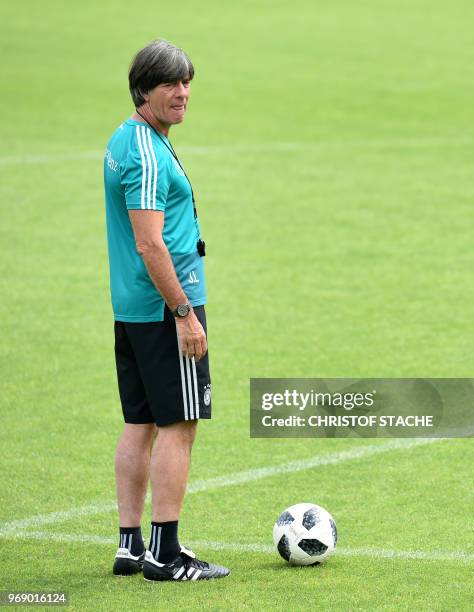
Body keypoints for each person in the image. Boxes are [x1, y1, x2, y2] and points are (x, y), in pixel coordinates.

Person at [103, 39, 229, 581]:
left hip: (133, 306)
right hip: (162, 306)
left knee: (141, 422)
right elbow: (150, 243)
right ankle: (166, 554)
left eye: (186, 82)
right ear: (143, 90)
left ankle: (131, 547)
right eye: (170, 85)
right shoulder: (147, 153)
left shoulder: (128, 137)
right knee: (180, 423)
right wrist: (184, 314)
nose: (182, 93)